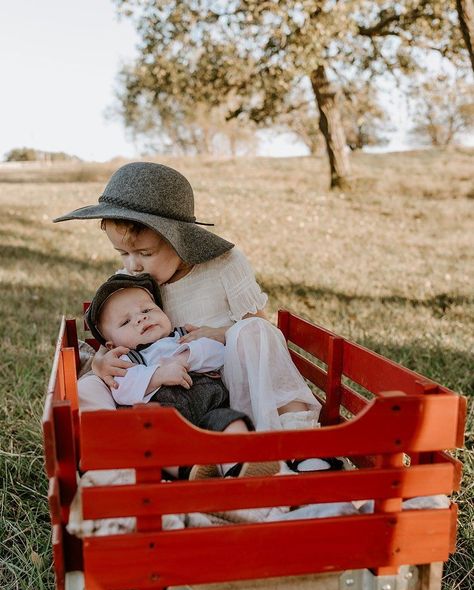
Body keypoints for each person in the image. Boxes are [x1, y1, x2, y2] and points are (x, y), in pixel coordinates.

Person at [54, 161, 340, 472]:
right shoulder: (131, 284)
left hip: (232, 384)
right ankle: (133, 459)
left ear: (181, 240)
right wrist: (100, 363)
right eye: (123, 254)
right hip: (168, 399)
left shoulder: (225, 265)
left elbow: (257, 324)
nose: (132, 265)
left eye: (145, 253)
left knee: (255, 332)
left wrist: (222, 334)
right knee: (93, 386)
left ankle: (300, 441)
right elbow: (115, 339)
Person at [86, 272, 281, 479]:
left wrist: (186, 357)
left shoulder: (185, 336)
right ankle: (192, 470)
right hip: (168, 426)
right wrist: (158, 376)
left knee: (231, 422)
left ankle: (240, 466)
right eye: (125, 322)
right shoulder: (126, 359)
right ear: (112, 345)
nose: (141, 318)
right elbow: (122, 390)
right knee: (152, 440)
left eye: (147, 310)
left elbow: (219, 353)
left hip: (211, 410)